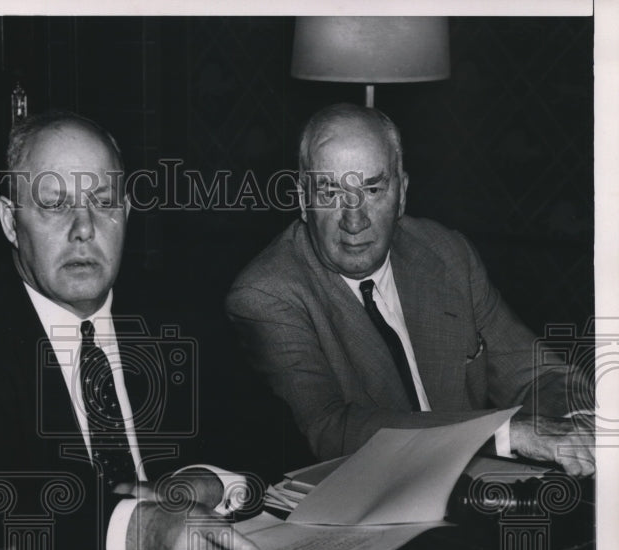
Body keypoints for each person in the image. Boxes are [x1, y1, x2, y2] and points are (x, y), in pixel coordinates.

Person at [0, 110, 262, 550]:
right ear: (10, 220)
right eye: (54, 205)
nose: (84, 228)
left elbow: (272, 435)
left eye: (103, 202)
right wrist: (147, 529)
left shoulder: (179, 313)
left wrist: (210, 481)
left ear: (127, 212)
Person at [226, 103, 594, 477]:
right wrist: (501, 433)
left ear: (401, 193)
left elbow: (536, 374)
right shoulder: (266, 294)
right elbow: (330, 430)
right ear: (304, 199)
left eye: (372, 188)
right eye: (331, 192)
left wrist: (583, 426)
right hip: (363, 507)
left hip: (474, 492)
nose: (354, 220)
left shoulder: (446, 254)